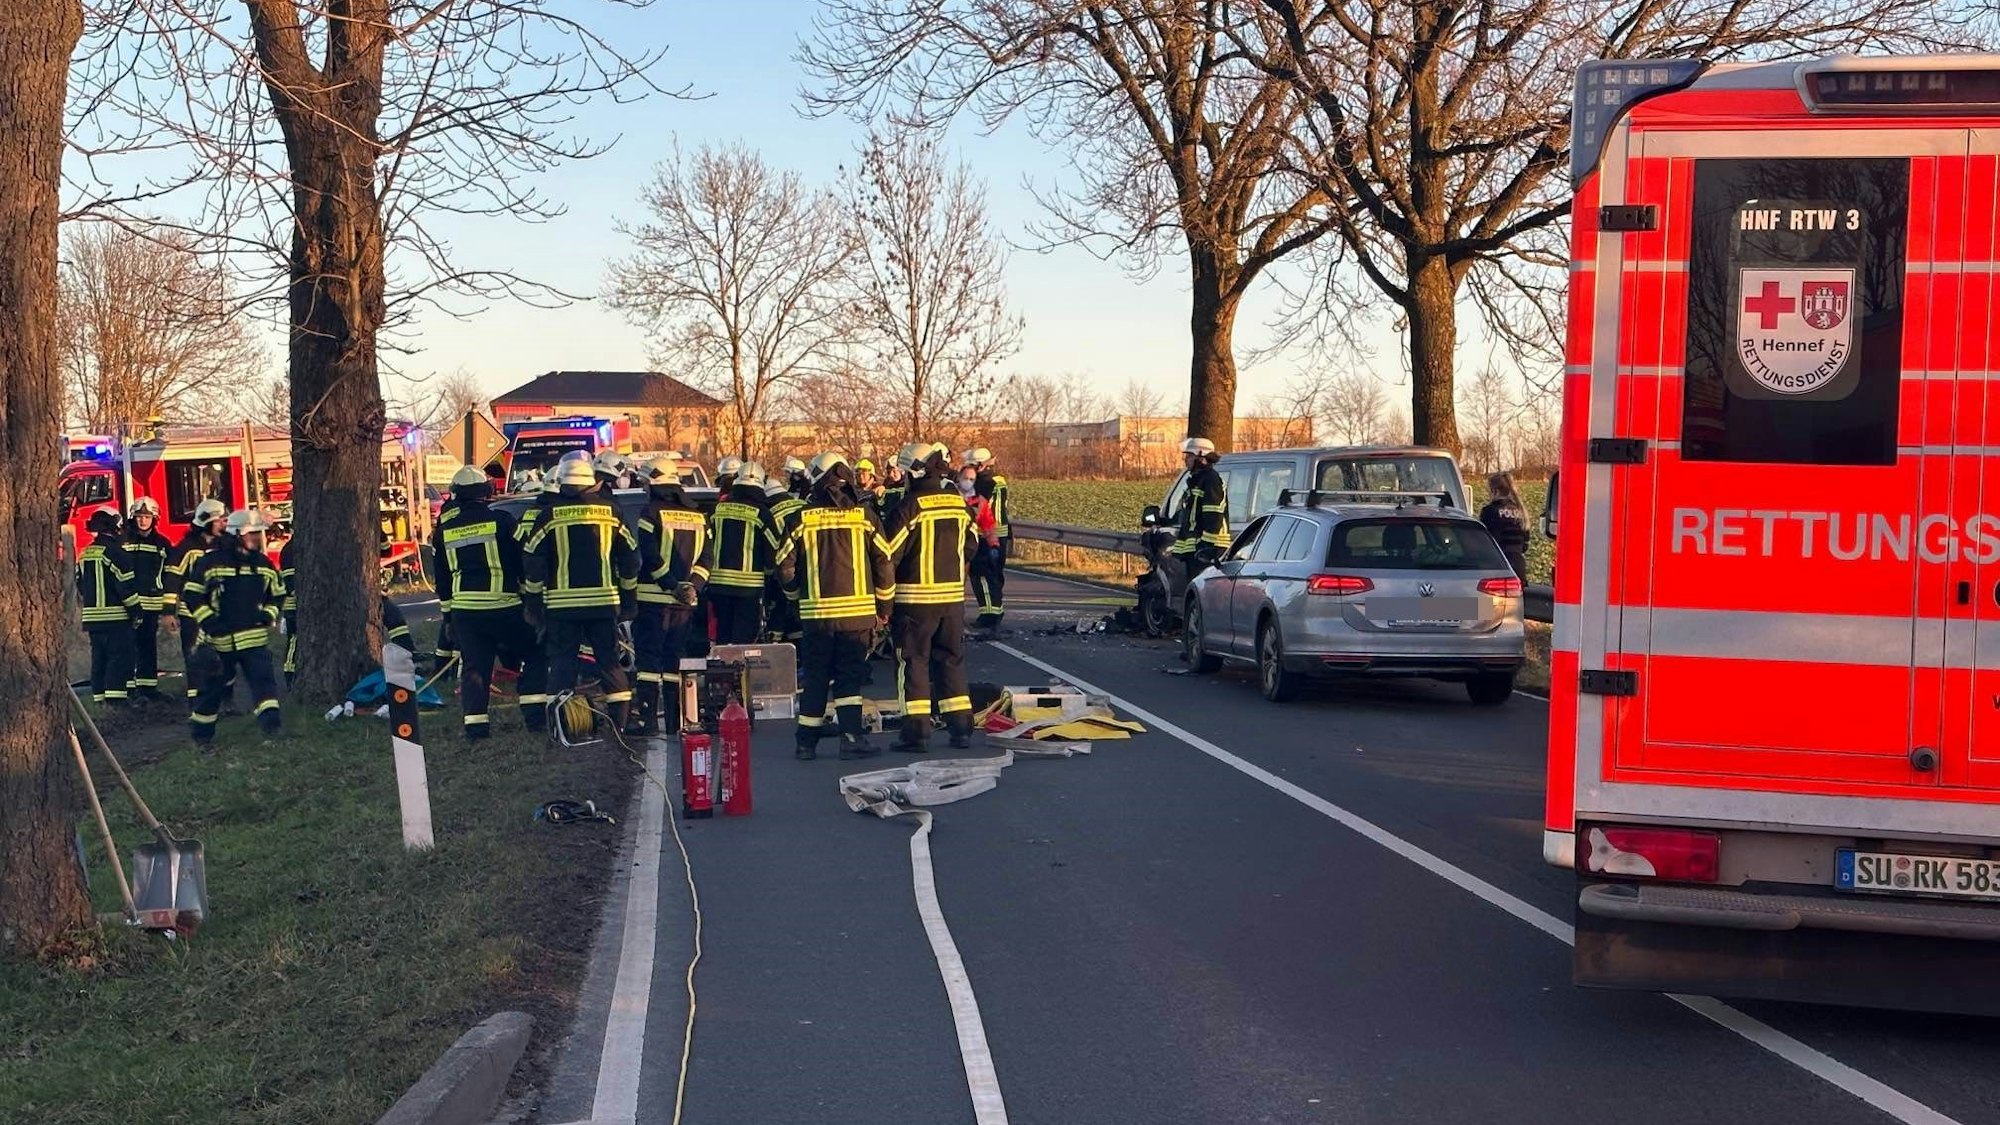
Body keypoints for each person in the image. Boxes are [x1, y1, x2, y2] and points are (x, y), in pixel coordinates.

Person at [774, 451, 895, 761]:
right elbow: (884, 562)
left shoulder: (801, 518)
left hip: (817, 616)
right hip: (857, 616)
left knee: (816, 677)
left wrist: (795, 597)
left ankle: (806, 743)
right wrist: (885, 606)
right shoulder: (865, 517)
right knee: (849, 679)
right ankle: (851, 739)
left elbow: (784, 566)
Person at [523, 455, 642, 733]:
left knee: (563, 662)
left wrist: (534, 603)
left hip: (562, 607)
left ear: (562, 483)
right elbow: (631, 560)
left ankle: (560, 725)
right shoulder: (611, 512)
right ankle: (622, 722)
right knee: (609, 662)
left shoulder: (549, 515)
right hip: (604, 605)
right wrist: (628, 600)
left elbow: (532, 562)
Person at [434, 464, 548, 739]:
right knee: (535, 652)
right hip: (504, 606)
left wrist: (448, 619)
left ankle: (476, 729)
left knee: (475, 667)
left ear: (456, 494)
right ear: (486, 492)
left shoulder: (445, 530)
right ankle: (535, 718)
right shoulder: (503, 521)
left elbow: (442, 580)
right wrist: (530, 597)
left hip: (464, 612)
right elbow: (523, 559)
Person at [882, 443, 978, 751]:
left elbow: (888, 555)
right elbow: (972, 545)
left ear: (914, 472)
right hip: (951, 602)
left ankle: (916, 733)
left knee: (914, 663)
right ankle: (961, 729)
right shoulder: (958, 503)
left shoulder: (910, 507)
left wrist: (883, 601)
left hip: (915, 603)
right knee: (951, 661)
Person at [187, 508, 286, 744]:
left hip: (254, 640)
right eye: (252, 534)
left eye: (258, 534)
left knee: (265, 687)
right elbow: (192, 595)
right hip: (218, 642)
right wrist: (209, 622)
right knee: (210, 692)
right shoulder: (210, 563)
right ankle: (201, 740)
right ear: (236, 534)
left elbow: (278, 593)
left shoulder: (263, 564)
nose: (257, 538)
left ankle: (273, 731)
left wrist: (268, 614)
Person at [632, 456, 709, 734]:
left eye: (645, 483)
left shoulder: (650, 513)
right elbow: (706, 559)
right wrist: (692, 587)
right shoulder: (698, 515)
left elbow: (650, 556)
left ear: (654, 482)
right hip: (684, 604)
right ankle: (675, 722)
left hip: (653, 600)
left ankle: (648, 721)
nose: (644, 488)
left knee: (648, 662)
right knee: (673, 660)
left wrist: (671, 584)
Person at [701, 461, 777, 645]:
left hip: (718, 585)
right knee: (744, 639)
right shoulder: (762, 513)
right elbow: (773, 551)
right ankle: (740, 664)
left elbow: (705, 542)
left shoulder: (717, 510)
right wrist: (769, 577)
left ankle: (722, 663)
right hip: (749, 589)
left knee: (723, 634)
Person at [165, 498, 230, 701]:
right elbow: (173, 579)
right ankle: (197, 701)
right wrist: (168, 612)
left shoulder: (225, 546)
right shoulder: (187, 549)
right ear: (207, 522)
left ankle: (224, 700)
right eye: (220, 520)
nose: (224, 524)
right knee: (195, 659)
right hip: (192, 616)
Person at [77, 510, 139, 705]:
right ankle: (116, 701)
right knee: (118, 658)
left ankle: (99, 698)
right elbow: (126, 588)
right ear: (114, 528)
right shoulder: (116, 553)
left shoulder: (85, 553)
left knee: (99, 659)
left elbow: (80, 585)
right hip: (116, 618)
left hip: (92, 619)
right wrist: (137, 612)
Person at [121, 497, 175, 701]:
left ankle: (148, 689)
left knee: (148, 647)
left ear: (155, 519)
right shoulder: (123, 542)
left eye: (147, 517)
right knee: (127, 647)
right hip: (127, 605)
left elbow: (170, 575)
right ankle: (129, 690)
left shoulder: (162, 544)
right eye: (139, 516)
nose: (143, 521)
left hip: (152, 604)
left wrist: (169, 607)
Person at [1170, 437, 1231, 584]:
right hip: (1197, 549)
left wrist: (1205, 547)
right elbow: (1190, 513)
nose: (1186, 459)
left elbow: (1213, 515)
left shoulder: (1211, 480)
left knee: (1202, 590)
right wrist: (1166, 521)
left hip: (1209, 549)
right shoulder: (1196, 481)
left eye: (1189, 455)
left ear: (1201, 457)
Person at [965, 448, 1008, 629]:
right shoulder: (998, 480)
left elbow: (976, 506)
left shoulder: (984, 482)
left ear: (980, 465)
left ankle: (989, 615)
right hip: (999, 535)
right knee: (994, 575)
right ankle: (995, 611)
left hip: (986, 536)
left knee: (982, 574)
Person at [761, 477, 806, 644]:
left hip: (785, 569)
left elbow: (770, 554)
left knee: (780, 607)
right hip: (810, 568)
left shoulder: (770, 515)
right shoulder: (803, 505)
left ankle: (775, 643)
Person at [1480, 471, 1532, 581]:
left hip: (1498, 566)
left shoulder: (1489, 511)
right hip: (1518, 566)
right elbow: (1524, 546)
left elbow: (1484, 543)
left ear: (1495, 491)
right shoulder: (1521, 512)